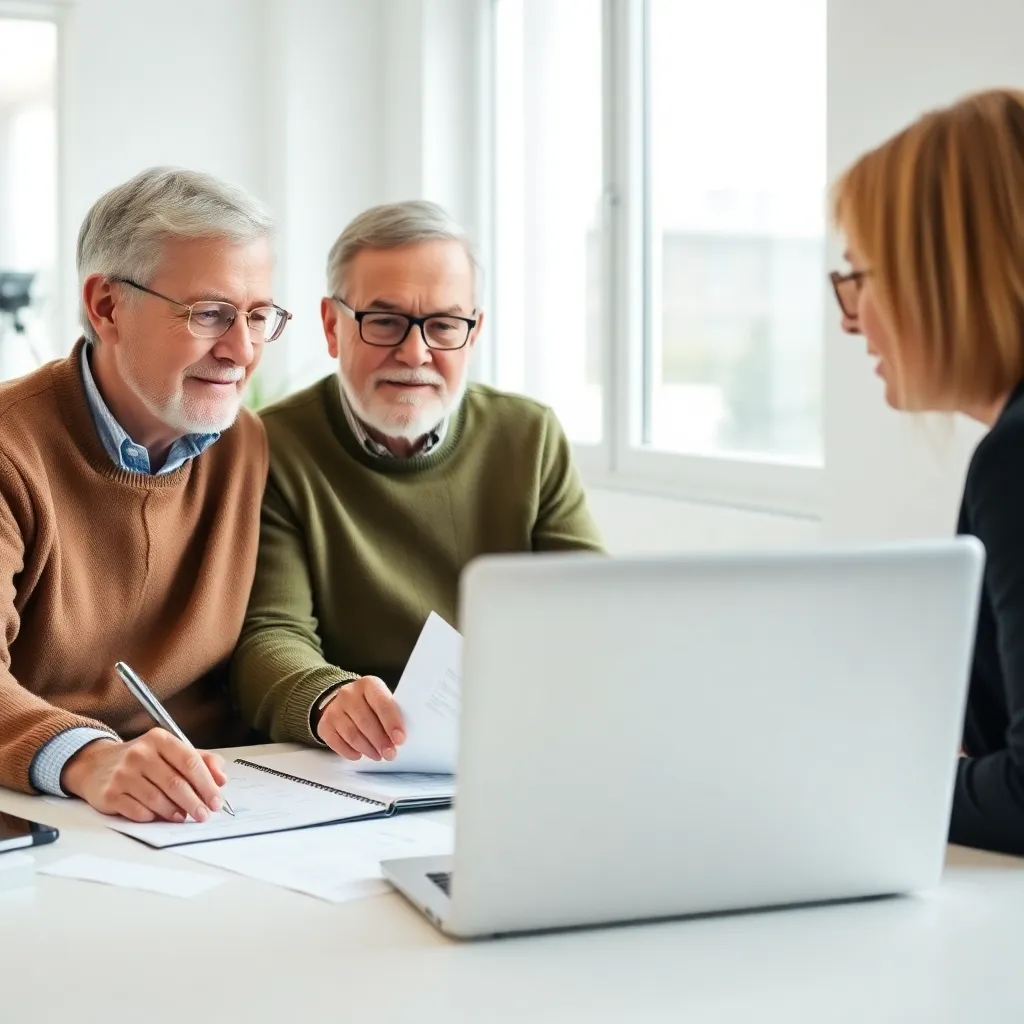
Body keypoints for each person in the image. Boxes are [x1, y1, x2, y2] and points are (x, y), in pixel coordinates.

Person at [231, 200, 603, 762]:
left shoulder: (529, 436)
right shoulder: (269, 448)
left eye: (444, 325)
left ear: (473, 333)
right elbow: (269, 634)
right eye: (384, 321)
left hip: (512, 745)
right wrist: (327, 698)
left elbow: (595, 610)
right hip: (352, 762)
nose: (415, 352)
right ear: (333, 326)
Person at [0, 167, 291, 823]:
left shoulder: (244, 444)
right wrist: (85, 756)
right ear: (107, 307)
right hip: (57, 813)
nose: (242, 350)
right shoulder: (11, 450)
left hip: (229, 808)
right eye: (210, 314)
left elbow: (272, 634)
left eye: (258, 316)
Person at [831, 88, 1024, 856]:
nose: (850, 318)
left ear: (943, 275)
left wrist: (862, 769)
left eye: (859, 277)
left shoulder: (1015, 458)